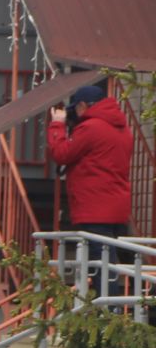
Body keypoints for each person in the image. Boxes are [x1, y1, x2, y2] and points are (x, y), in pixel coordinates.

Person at [48, 86, 134, 283]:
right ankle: (133, 303)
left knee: (101, 265)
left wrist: (57, 125)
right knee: (116, 260)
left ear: (82, 106)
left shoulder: (91, 127)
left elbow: (62, 153)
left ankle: (108, 310)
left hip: (94, 207)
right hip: (116, 207)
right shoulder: (122, 129)